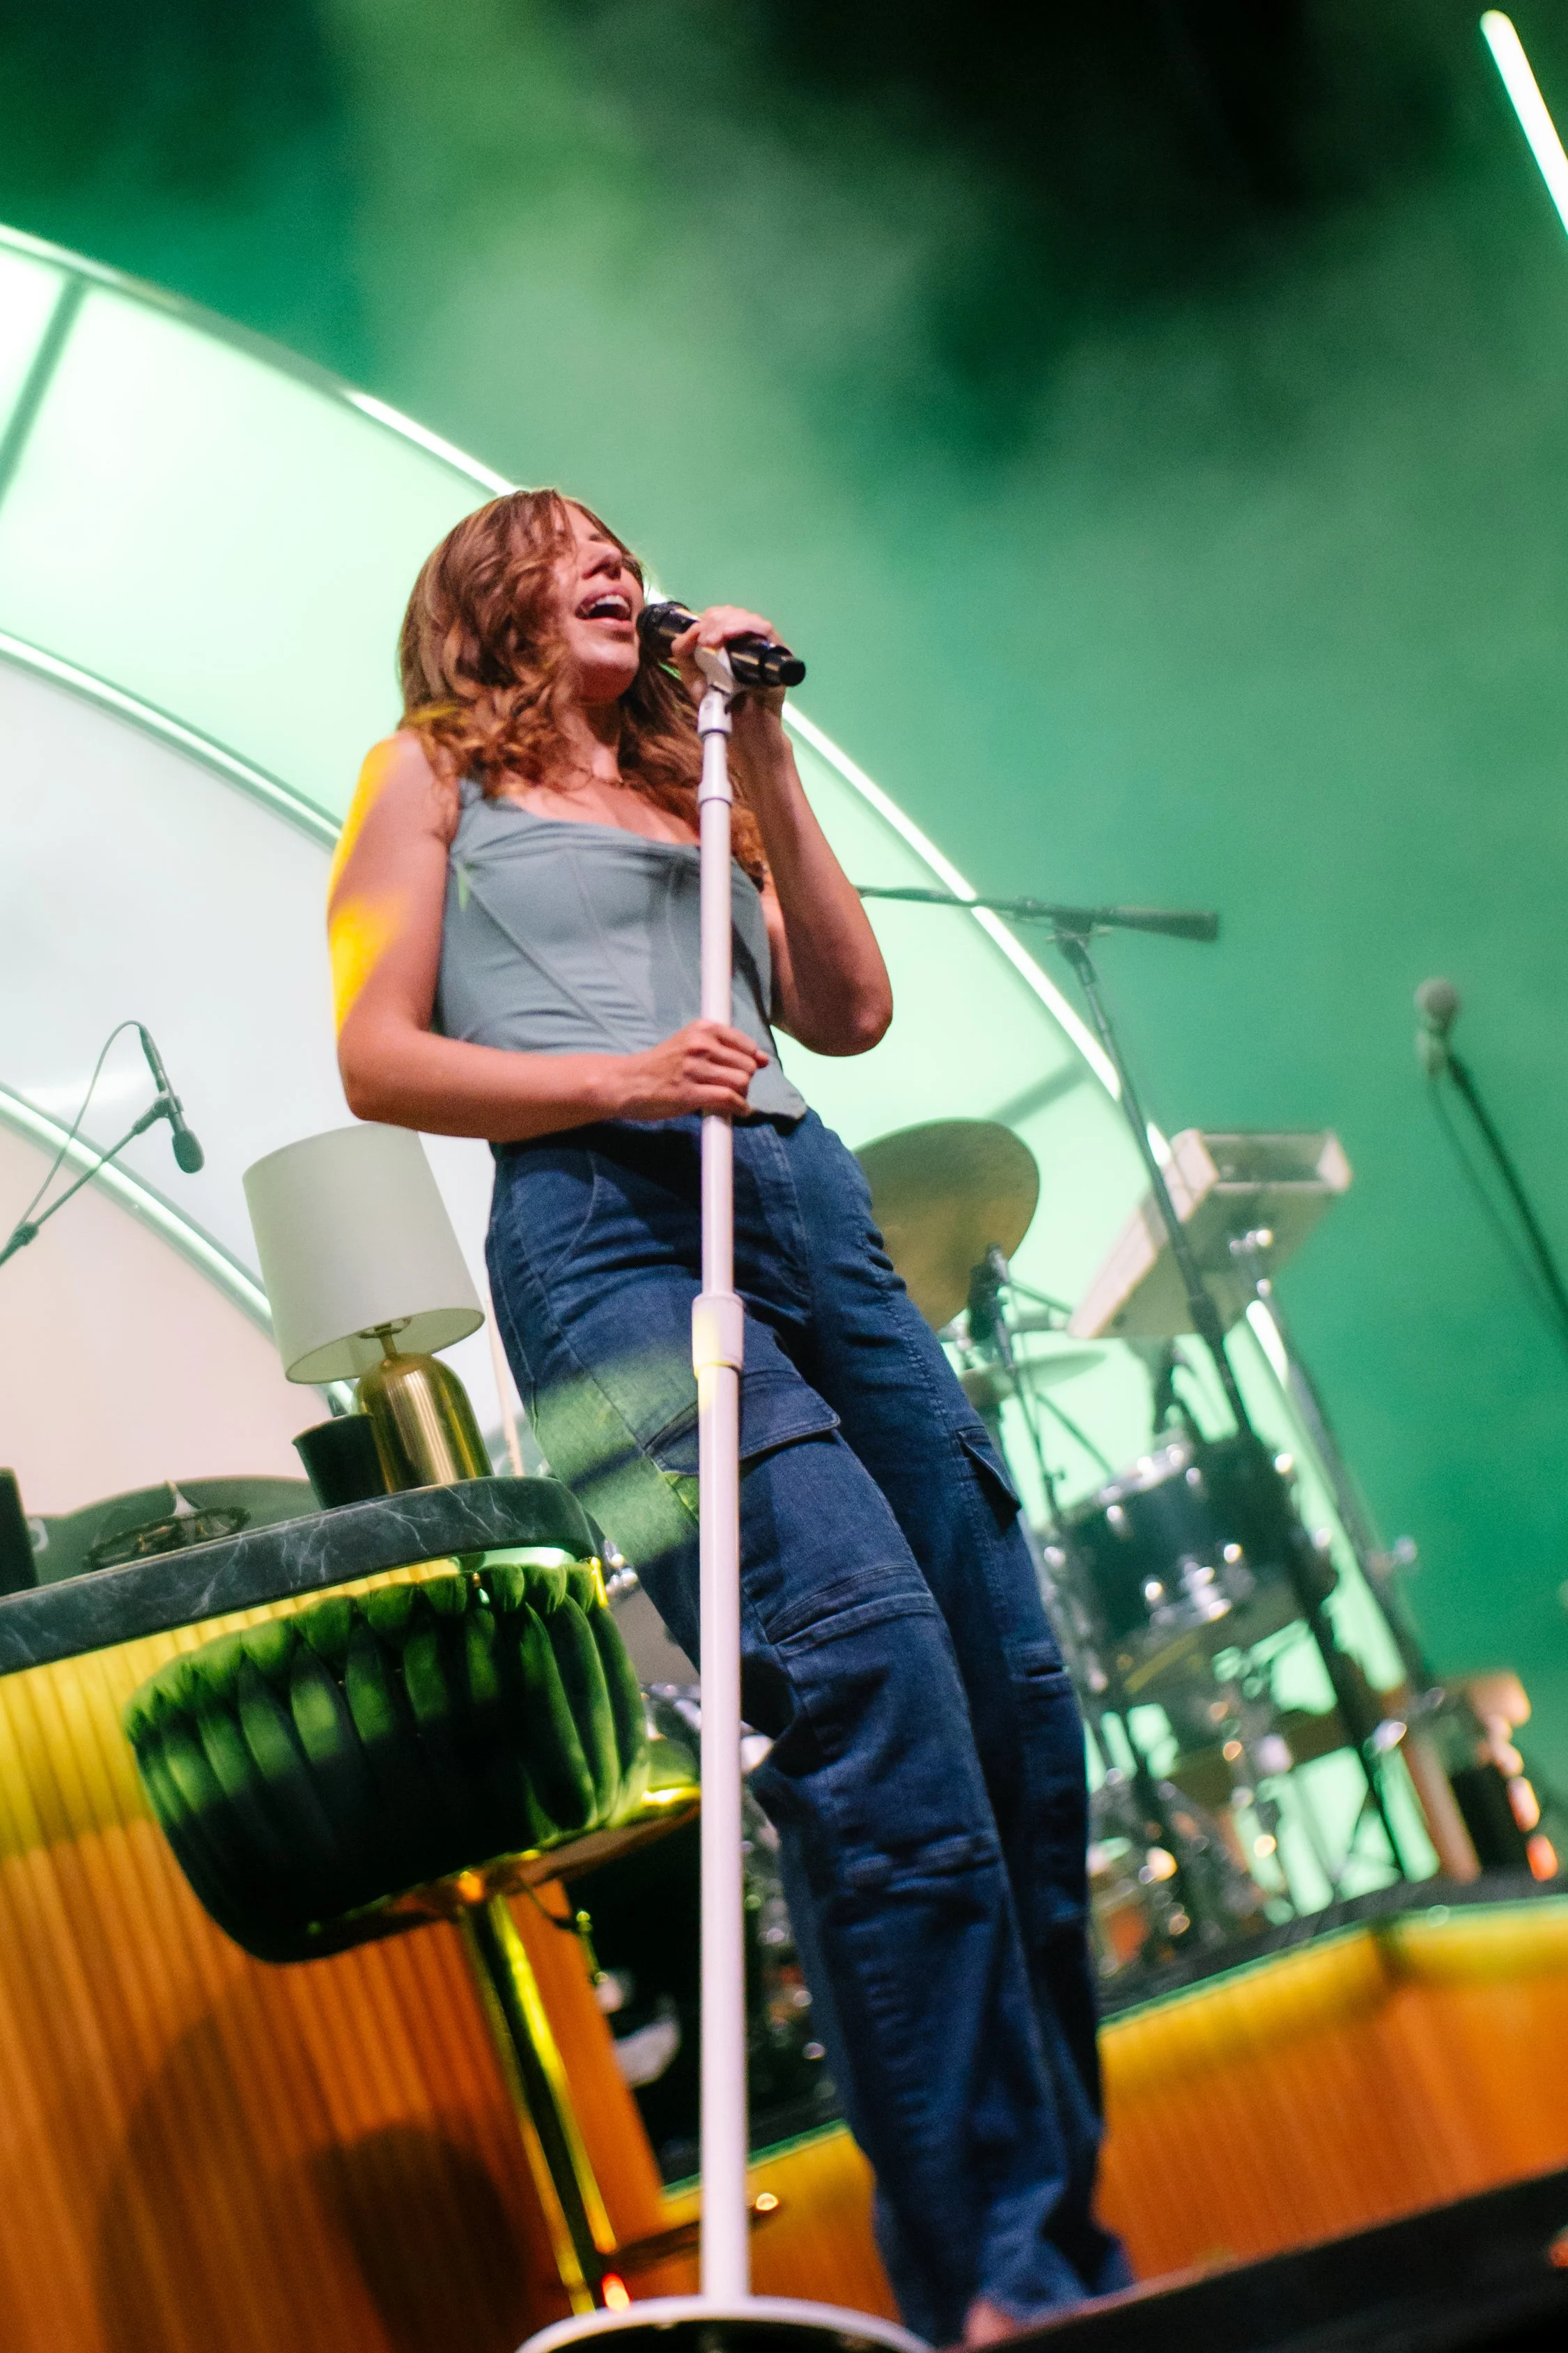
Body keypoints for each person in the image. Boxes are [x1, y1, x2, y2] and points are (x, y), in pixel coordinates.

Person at [328, 488, 1128, 2343]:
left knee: (1014, 1701)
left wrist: (761, 746)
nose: (613, 563)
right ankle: (997, 2278)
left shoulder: (700, 779)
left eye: (624, 545)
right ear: (481, 608)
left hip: (808, 1211)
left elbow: (846, 1009)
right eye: (564, 547)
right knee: (872, 1685)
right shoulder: (426, 774)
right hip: (602, 1243)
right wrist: (617, 1067)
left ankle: (1068, 2256)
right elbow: (374, 1053)